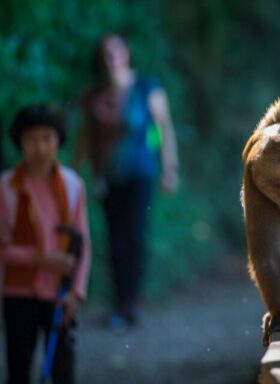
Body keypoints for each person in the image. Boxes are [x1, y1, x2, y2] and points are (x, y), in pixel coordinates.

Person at [74, 33, 179, 329]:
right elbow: (85, 137)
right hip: (106, 177)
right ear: (100, 59)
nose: (112, 58)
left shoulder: (147, 87)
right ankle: (120, 303)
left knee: (134, 235)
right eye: (106, 53)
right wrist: (71, 173)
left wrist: (168, 166)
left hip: (141, 173)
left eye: (117, 51)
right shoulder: (93, 95)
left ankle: (130, 301)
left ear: (127, 54)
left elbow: (163, 127)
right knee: (114, 238)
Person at [0, 104, 92, 384]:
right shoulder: (6, 188)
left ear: (58, 141)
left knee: (62, 371)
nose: (39, 147)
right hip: (18, 293)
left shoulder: (73, 185)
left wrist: (76, 292)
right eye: (31, 139)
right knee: (19, 367)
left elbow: (83, 243)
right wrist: (42, 259)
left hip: (59, 293)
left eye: (47, 138)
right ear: (20, 142)